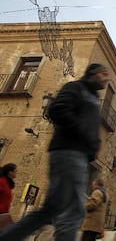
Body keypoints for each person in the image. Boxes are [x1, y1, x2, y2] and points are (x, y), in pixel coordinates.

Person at [0, 63, 110, 241]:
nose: (107, 78)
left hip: (78, 156)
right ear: (94, 74)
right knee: (73, 211)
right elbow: (57, 110)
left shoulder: (92, 97)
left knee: (51, 210)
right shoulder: (75, 88)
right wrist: (82, 134)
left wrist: (92, 146)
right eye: (104, 74)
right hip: (69, 152)